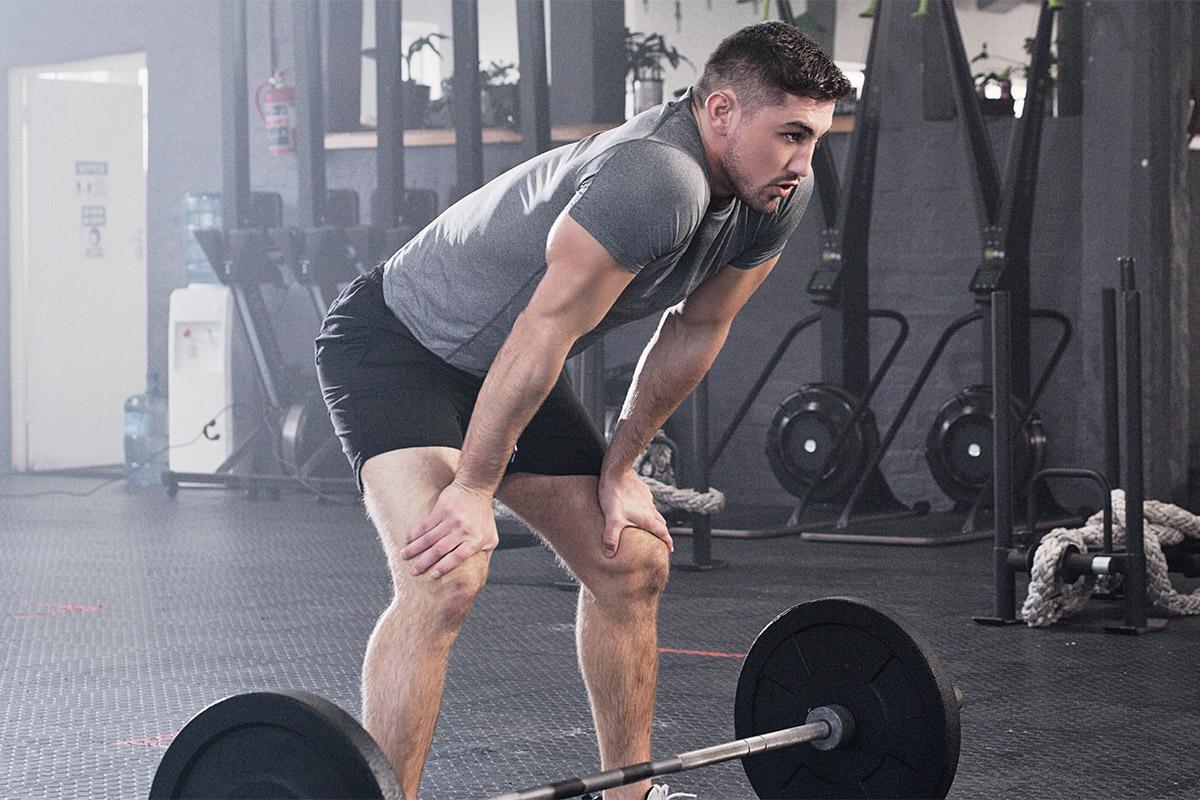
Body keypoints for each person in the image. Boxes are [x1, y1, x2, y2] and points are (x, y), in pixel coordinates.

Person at [316, 20, 850, 800]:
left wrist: (621, 466)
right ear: (724, 110)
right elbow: (543, 330)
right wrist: (470, 489)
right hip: (400, 346)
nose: (803, 164)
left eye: (816, 140)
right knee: (446, 573)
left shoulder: (774, 196)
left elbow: (697, 327)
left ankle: (626, 796)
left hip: (511, 367)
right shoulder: (658, 179)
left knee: (632, 563)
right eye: (791, 135)